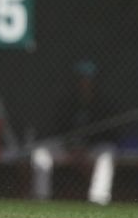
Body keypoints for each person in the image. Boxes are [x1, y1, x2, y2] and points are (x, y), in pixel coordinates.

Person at [30, 60, 119, 205]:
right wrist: (71, 147)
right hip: (68, 149)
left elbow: (110, 134)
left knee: (107, 154)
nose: (85, 83)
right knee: (40, 154)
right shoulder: (66, 102)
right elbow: (59, 129)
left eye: (88, 80)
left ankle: (98, 199)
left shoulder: (103, 104)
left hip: (92, 149)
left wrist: (86, 147)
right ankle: (41, 197)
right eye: (81, 79)